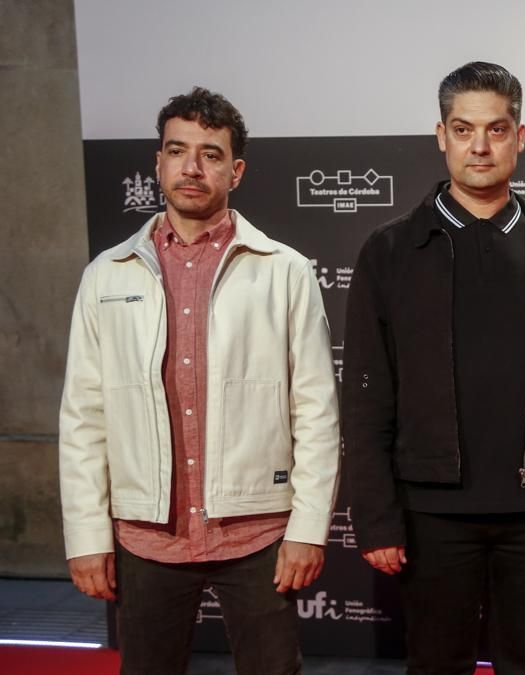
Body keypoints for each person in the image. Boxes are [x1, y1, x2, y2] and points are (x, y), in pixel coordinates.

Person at [59, 86, 341, 675]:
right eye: (177, 150)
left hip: (257, 533)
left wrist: (310, 529)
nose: (191, 167)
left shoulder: (284, 270)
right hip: (146, 536)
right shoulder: (105, 276)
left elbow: (315, 410)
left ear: (235, 171)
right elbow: (84, 418)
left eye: (210, 154)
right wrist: (87, 535)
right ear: (157, 163)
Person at [340, 61, 525, 675]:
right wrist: (375, 516)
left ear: (520, 136)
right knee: (436, 663)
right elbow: (367, 395)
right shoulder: (391, 251)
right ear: (441, 135)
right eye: (463, 128)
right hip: (431, 516)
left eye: (497, 130)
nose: (480, 146)